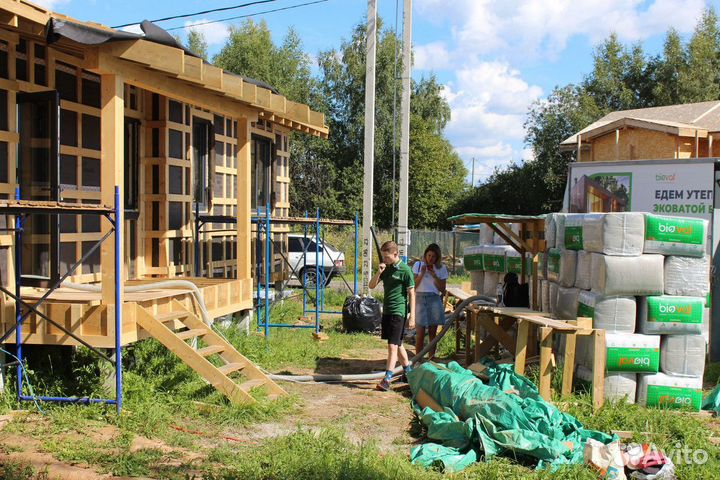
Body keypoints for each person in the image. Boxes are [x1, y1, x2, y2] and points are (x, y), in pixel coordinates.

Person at [369, 240, 415, 391]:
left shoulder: (405, 270)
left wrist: (412, 315)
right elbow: (371, 285)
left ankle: (387, 378)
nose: (385, 260)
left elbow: (412, 294)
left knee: (392, 345)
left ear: (395, 254)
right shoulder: (386, 269)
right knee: (398, 344)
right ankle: (408, 371)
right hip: (387, 311)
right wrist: (379, 272)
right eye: (383, 257)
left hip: (398, 312)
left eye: (387, 257)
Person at [412, 243, 448, 359]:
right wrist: (422, 273)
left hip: (434, 299)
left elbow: (442, 289)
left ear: (437, 258)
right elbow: (414, 286)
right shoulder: (418, 265)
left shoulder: (441, 268)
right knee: (420, 333)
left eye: (433, 256)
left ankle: (431, 358)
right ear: (425, 255)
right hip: (420, 299)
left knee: (433, 333)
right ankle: (418, 359)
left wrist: (434, 276)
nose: (430, 258)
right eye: (428, 255)